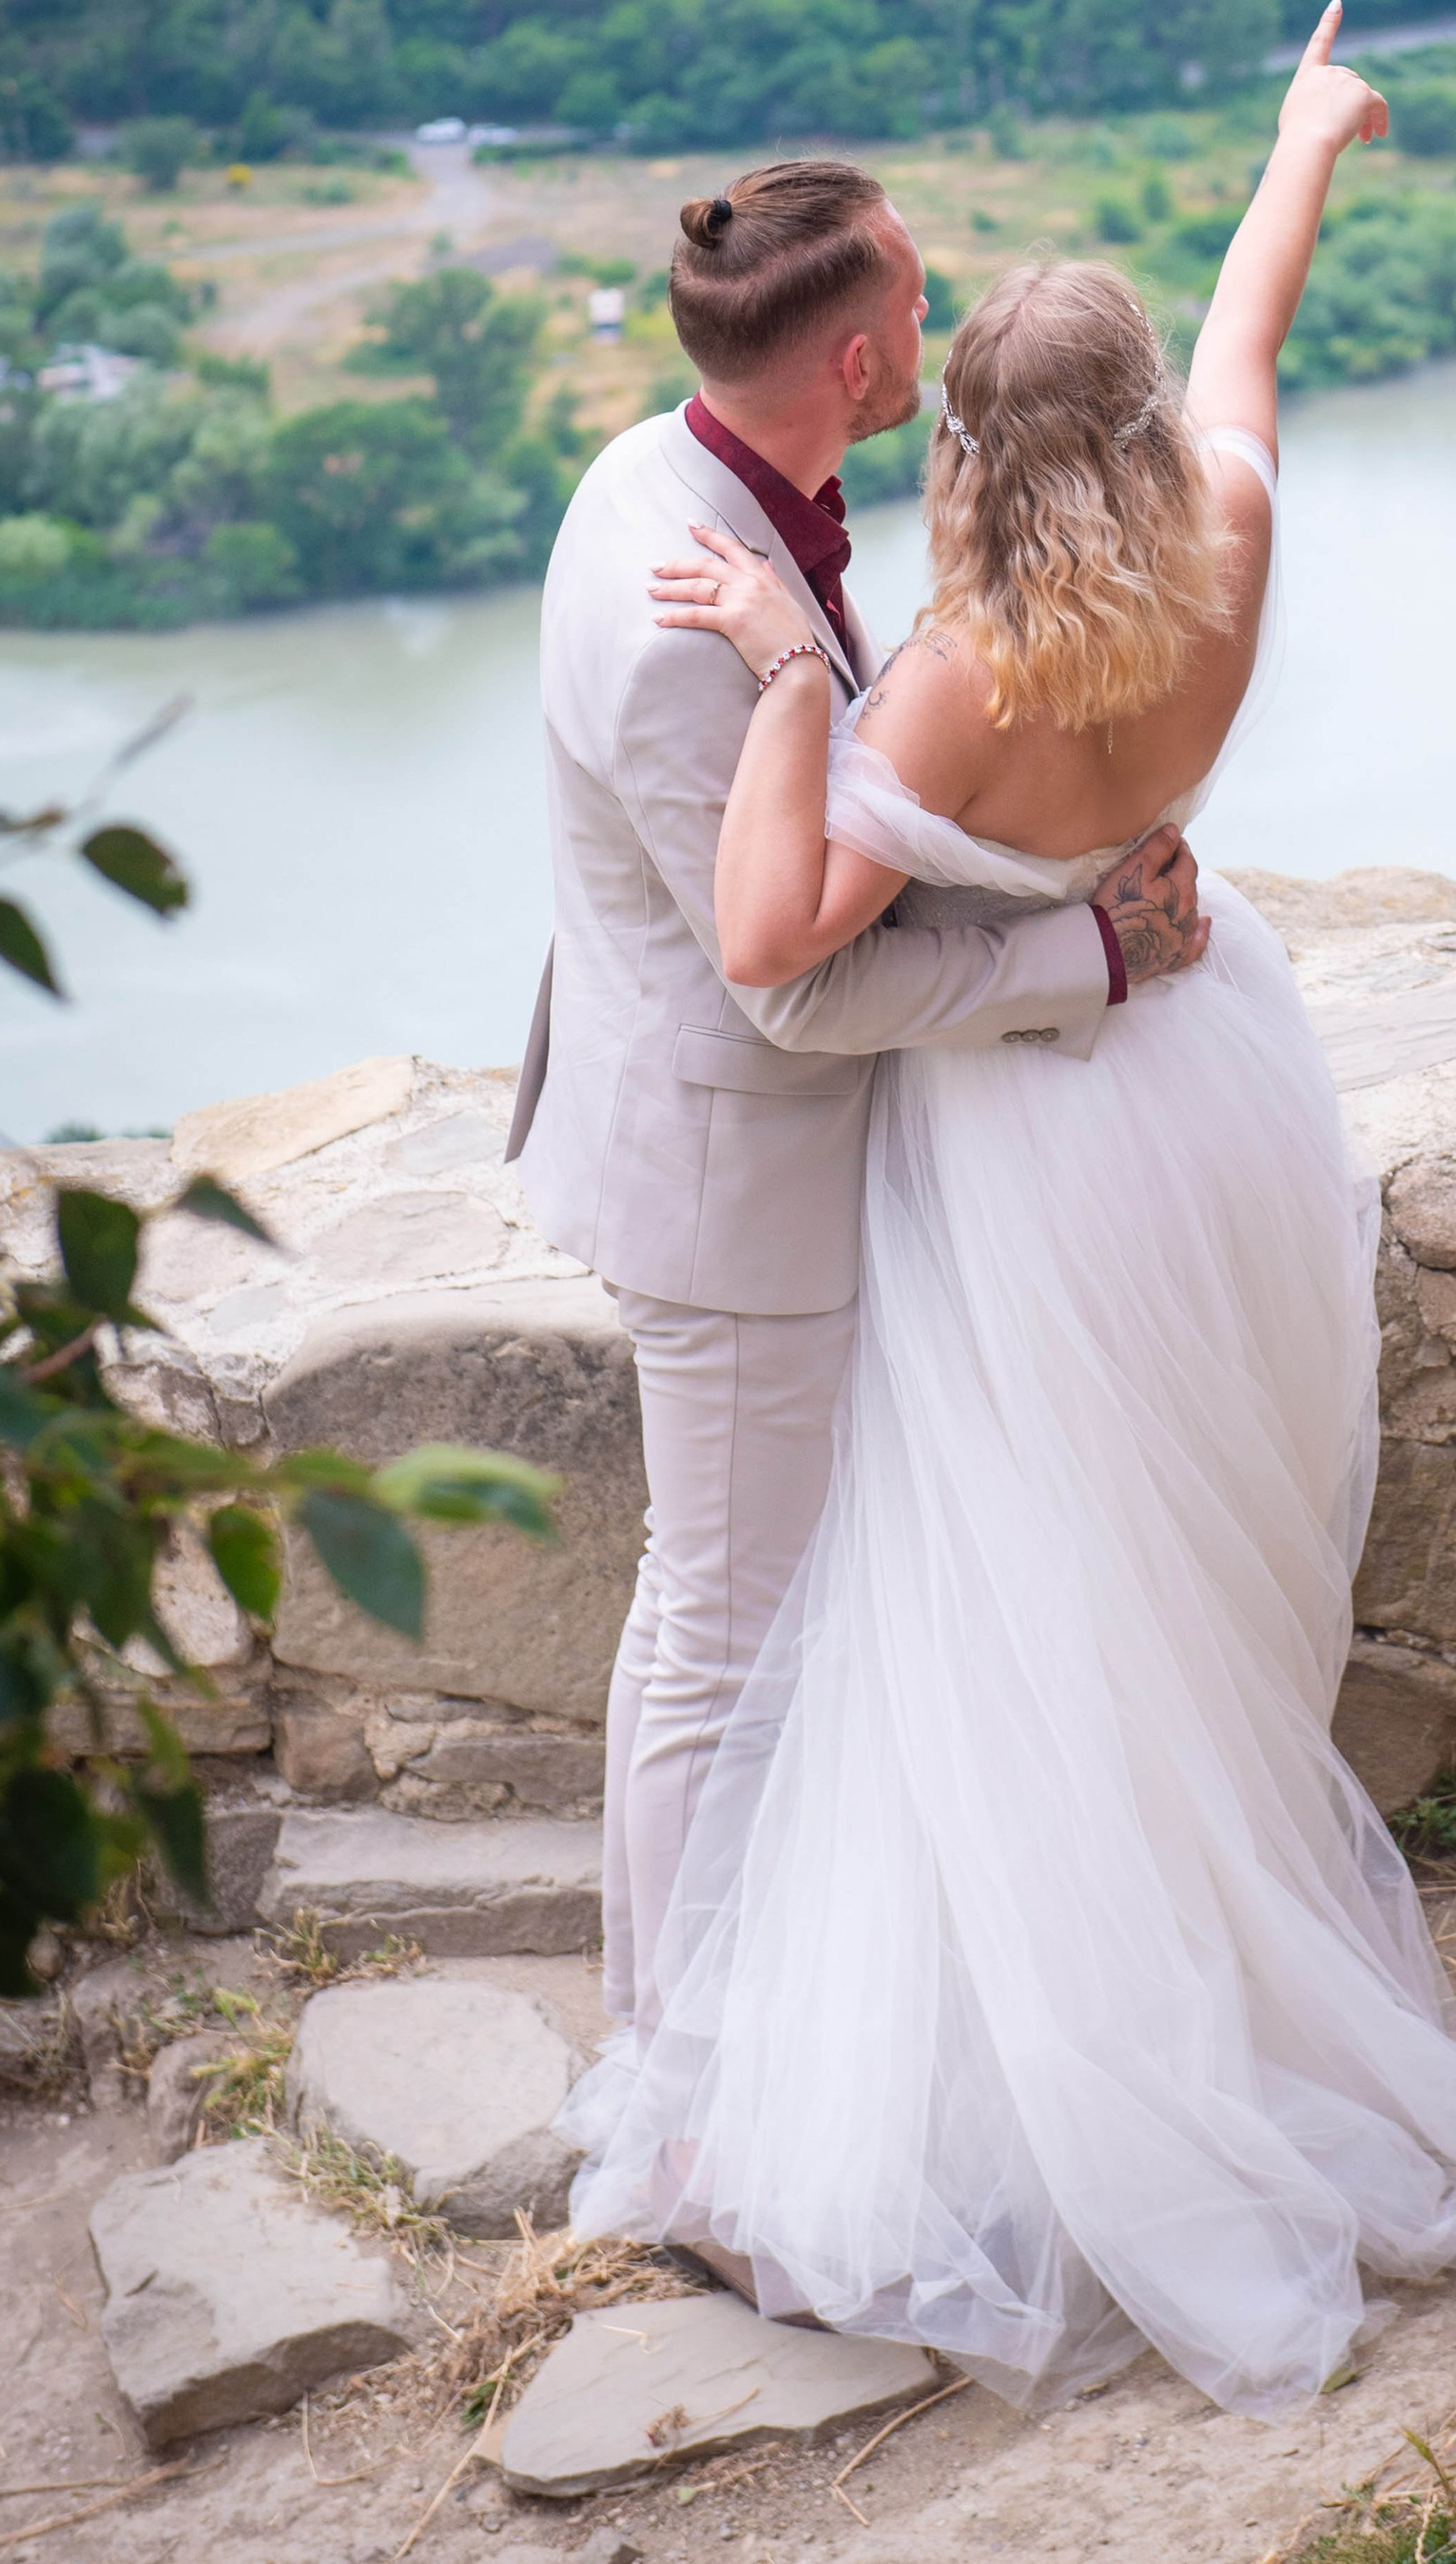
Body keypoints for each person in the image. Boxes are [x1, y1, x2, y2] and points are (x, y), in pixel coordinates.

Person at [555, 5, 1456, 2416]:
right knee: (1168, 1590)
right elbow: (1249, 321)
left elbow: (776, 941)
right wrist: (1304, 134)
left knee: (1021, 1604)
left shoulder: (948, 680)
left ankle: (1051, 2053)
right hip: (1214, 1100)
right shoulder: (1231, 533)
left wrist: (790, 676)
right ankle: (1190, 1986)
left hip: (1034, 1156)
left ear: (964, 448)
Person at [505, 159, 1208, 2042]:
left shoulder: (668, 473)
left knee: (699, 1610)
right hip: (729, 1181)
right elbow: (797, 988)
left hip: (722, 1136)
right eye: (909, 298)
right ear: (851, 357)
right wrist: (1092, 959)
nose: (932, 321)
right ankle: (681, 2076)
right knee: (724, 1644)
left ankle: (681, 2015)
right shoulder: (690, 633)